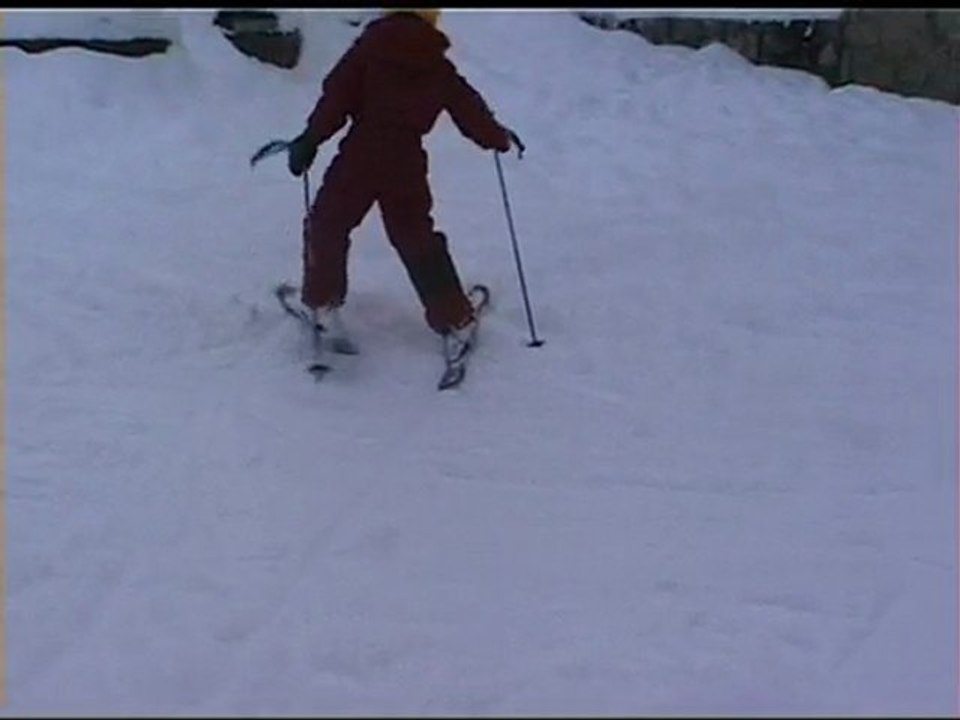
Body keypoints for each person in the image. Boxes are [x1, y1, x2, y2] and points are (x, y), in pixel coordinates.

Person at [285, 8, 519, 356]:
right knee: (415, 236)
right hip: (405, 161)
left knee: (328, 223)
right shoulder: (436, 65)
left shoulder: (368, 50)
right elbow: (467, 107)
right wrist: (496, 137)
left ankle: (322, 304)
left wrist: (309, 140)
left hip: (360, 156)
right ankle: (455, 319)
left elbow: (337, 98)